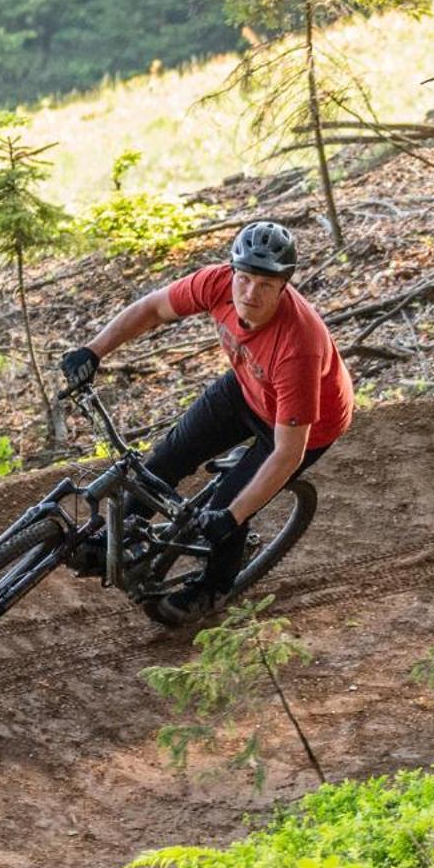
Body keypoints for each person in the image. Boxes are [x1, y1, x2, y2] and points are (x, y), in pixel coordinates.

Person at [60, 220, 353, 624]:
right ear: (232, 271)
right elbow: (152, 308)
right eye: (245, 278)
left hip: (305, 425)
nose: (250, 293)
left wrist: (231, 517)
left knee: (226, 508)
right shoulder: (216, 284)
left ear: (284, 287)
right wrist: (93, 351)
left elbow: (288, 453)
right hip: (248, 386)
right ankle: (118, 536)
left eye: (266, 285)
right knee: (166, 458)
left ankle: (213, 587)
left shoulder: (298, 346)